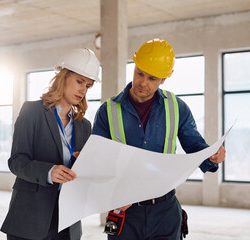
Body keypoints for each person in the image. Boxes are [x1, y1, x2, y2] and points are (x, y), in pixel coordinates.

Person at [92, 39, 226, 240]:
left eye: (152, 78)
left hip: (165, 210)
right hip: (125, 210)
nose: (143, 83)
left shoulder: (177, 108)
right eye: (140, 73)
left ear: (164, 79)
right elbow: (97, 160)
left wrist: (212, 155)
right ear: (134, 67)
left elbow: (195, 147)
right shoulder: (107, 111)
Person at [0, 48, 101, 240]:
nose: (83, 90)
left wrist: (84, 165)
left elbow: (83, 175)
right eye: (79, 81)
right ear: (63, 77)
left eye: (88, 86)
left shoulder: (84, 126)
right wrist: (49, 171)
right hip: (30, 218)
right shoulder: (32, 112)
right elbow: (17, 161)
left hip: (67, 221)